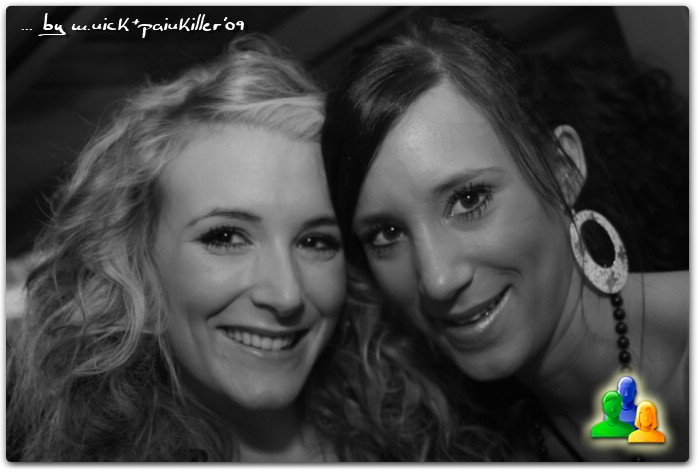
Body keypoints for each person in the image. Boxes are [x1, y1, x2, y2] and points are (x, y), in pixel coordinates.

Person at [6, 33, 505, 462]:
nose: (286, 295)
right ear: (133, 262)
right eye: (225, 237)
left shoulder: (440, 432)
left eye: (316, 241)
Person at [321, 17, 688, 461]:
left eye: (469, 199)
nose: (437, 279)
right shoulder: (490, 442)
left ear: (563, 169)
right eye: (387, 233)